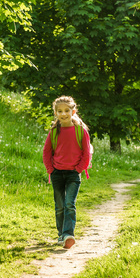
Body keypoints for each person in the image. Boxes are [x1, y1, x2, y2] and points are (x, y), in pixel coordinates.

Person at [42, 96, 91, 249]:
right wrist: (50, 169)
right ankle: (61, 235)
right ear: (55, 113)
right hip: (57, 173)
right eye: (59, 111)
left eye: (66, 111)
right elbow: (46, 152)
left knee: (69, 204)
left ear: (73, 111)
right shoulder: (54, 132)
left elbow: (86, 153)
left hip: (73, 174)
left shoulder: (80, 131)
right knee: (60, 206)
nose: (63, 114)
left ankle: (68, 234)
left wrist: (78, 169)